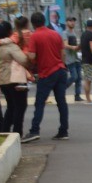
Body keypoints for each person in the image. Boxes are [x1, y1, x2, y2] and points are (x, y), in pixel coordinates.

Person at [22, 11, 69, 143]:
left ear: (33, 23)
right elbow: (63, 53)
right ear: (44, 21)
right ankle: (63, 131)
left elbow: (31, 56)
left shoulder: (35, 36)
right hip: (60, 70)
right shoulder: (55, 34)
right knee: (61, 102)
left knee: (40, 103)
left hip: (46, 73)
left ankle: (34, 130)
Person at [0, 21, 30, 135]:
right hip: (15, 79)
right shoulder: (10, 46)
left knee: (11, 105)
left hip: (2, 79)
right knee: (20, 106)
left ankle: (5, 130)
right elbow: (23, 60)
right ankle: (17, 131)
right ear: (9, 32)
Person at [62, 17, 82, 102]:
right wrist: (74, 47)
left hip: (76, 57)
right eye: (70, 21)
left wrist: (78, 48)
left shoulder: (74, 33)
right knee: (74, 76)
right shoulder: (64, 33)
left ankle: (77, 95)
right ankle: (62, 89)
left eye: (73, 21)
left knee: (79, 78)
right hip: (69, 59)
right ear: (66, 23)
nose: (72, 23)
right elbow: (65, 45)